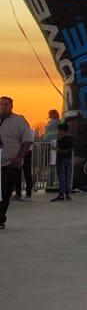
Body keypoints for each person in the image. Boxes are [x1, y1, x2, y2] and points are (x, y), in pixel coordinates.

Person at [0, 97, 35, 228]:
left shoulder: (19, 120)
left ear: (11, 106)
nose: (3, 106)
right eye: (1, 104)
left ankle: (0, 218)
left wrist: (20, 157)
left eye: (6, 104)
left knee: (5, 192)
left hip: (11, 163)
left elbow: (27, 140)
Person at [51, 122, 73, 201]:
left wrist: (56, 149)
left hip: (61, 159)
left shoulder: (62, 139)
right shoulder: (70, 138)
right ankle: (67, 194)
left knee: (61, 177)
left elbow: (63, 150)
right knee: (67, 177)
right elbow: (70, 149)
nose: (58, 132)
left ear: (63, 130)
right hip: (68, 159)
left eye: (59, 130)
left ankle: (61, 194)